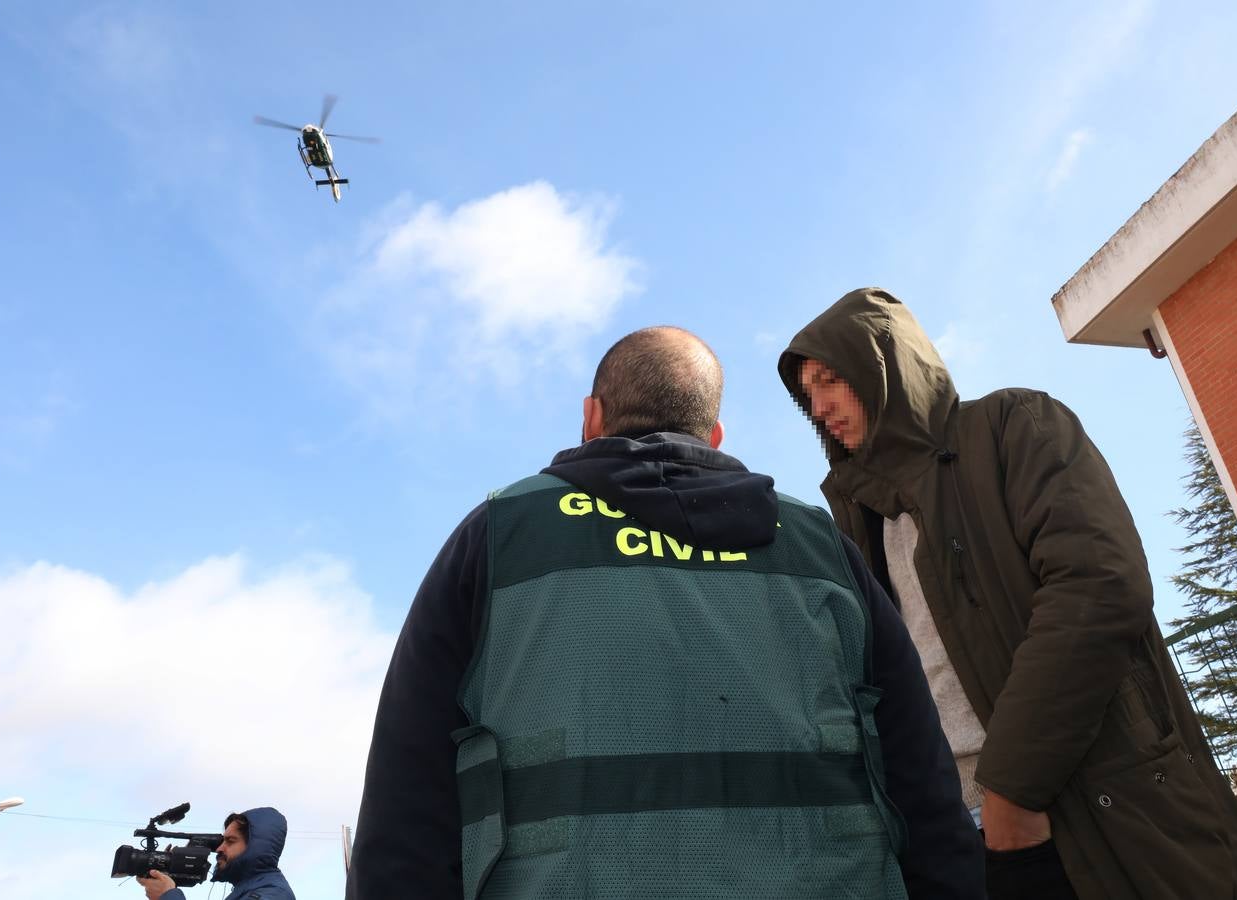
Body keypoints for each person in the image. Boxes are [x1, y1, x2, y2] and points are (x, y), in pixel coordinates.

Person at [346, 326, 984, 899]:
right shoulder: (820, 546)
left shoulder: (496, 536)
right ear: (714, 437)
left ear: (591, 417)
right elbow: (922, 785)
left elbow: (406, 797)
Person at [777, 287, 1237, 900]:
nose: (819, 406)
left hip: (1075, 803)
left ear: (881, 364)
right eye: (808, 394)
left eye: (830, 379)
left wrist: (1011, 789)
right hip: (950, 834)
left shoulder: (1015, 428)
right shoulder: (856, 521)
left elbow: (1099, 586)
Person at [137, 807, 296, 900]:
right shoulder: (248, 890)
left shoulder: (274, 894)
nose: (219, 848)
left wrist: (169, 895)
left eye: (230, 841)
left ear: (256, 847)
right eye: (221, 841)